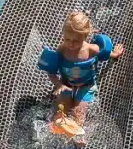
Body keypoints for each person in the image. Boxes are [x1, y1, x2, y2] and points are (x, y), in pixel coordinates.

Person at [38, 10, 125, 140]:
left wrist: (115, 54)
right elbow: (51, 73)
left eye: (76, 41)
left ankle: (78, 136)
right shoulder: (62, 50)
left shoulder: (91, 49)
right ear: (63, 35)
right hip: (66, 84)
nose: (71, 44)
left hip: (86, 86)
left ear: (85, 37)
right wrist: (59, 84)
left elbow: (104, 55)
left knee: (77, 112)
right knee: (61, 111)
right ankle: (55, 132)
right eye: (67, 39)